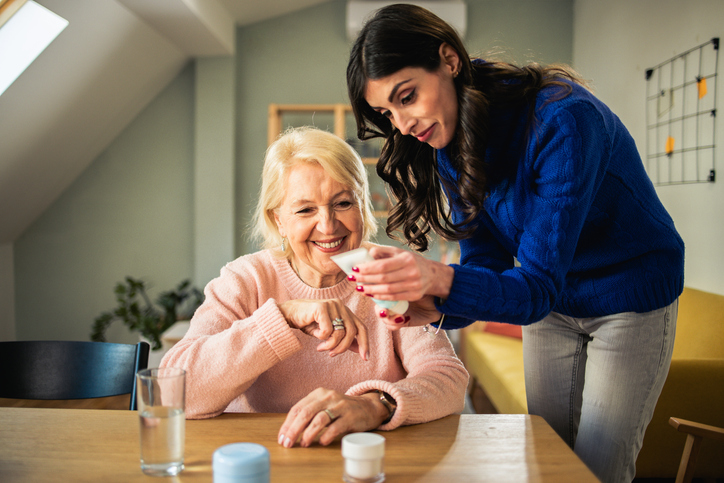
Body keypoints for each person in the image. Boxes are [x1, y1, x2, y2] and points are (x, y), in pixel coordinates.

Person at [345, 4, 684, 482]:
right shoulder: (447, 142)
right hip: (549, 299)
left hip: (628, 292)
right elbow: (487, 259)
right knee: (547, 456)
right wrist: (436, 303)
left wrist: (439, 277)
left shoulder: (565, 120)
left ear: (449, 60)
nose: (403, 125)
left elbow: (536, 286)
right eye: (387, 111)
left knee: (598, 468)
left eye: (407, 96)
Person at [160, 126, 468, 449]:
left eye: (343, 203)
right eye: (306, 209)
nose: (328, 225)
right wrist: (283, 316)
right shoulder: (245, 279)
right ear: (278, 219)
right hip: (264, 462)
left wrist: (375, 404)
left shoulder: (389, 275)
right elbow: (173, 392)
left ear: (361, 205)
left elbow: (449, 379)